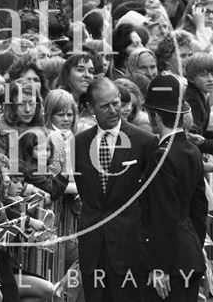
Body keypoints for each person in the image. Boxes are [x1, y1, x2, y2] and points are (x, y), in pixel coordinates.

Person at [73, 77, 157, 301]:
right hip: (93, 249)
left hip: (130, 249)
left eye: (116, 103)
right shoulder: (79, 144)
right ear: (91, 108)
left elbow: (152, 200)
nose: (113, 110)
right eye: (105, 106)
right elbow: (84, 192)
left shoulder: (145, 142)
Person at [141, 74, 208, 302]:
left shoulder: (162, 156)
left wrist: (159, 266)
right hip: (189, 254)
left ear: (156, 117)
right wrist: (196, 248)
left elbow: (163, 216)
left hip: (170, 262)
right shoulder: (192, 150)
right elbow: (200, 209)